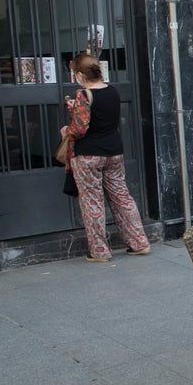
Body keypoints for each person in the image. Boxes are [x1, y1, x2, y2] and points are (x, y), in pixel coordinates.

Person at [60, 52, 150, 262]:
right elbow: (103, 115)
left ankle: (99, 251)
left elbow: (80, 129)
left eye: (76, 73)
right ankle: (139, 242)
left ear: (80, 74)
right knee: (122, 197)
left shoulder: (84, 95)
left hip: (89, 155)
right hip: (114, 152)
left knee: (92, 202)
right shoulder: (113, 91)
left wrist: (66, 130)